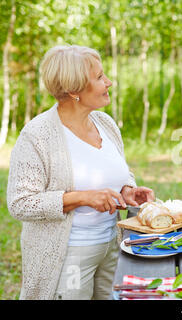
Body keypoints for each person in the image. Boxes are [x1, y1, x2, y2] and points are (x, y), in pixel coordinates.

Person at [7, 45, 155, 300]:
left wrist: (127, 190)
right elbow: (21, 203)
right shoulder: (37, 135)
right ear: (74, 90)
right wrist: (82, 197)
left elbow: (117, 170)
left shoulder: (105, 124)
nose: (109, 82)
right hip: (69, 256)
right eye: (99, 78)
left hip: (111, 246)